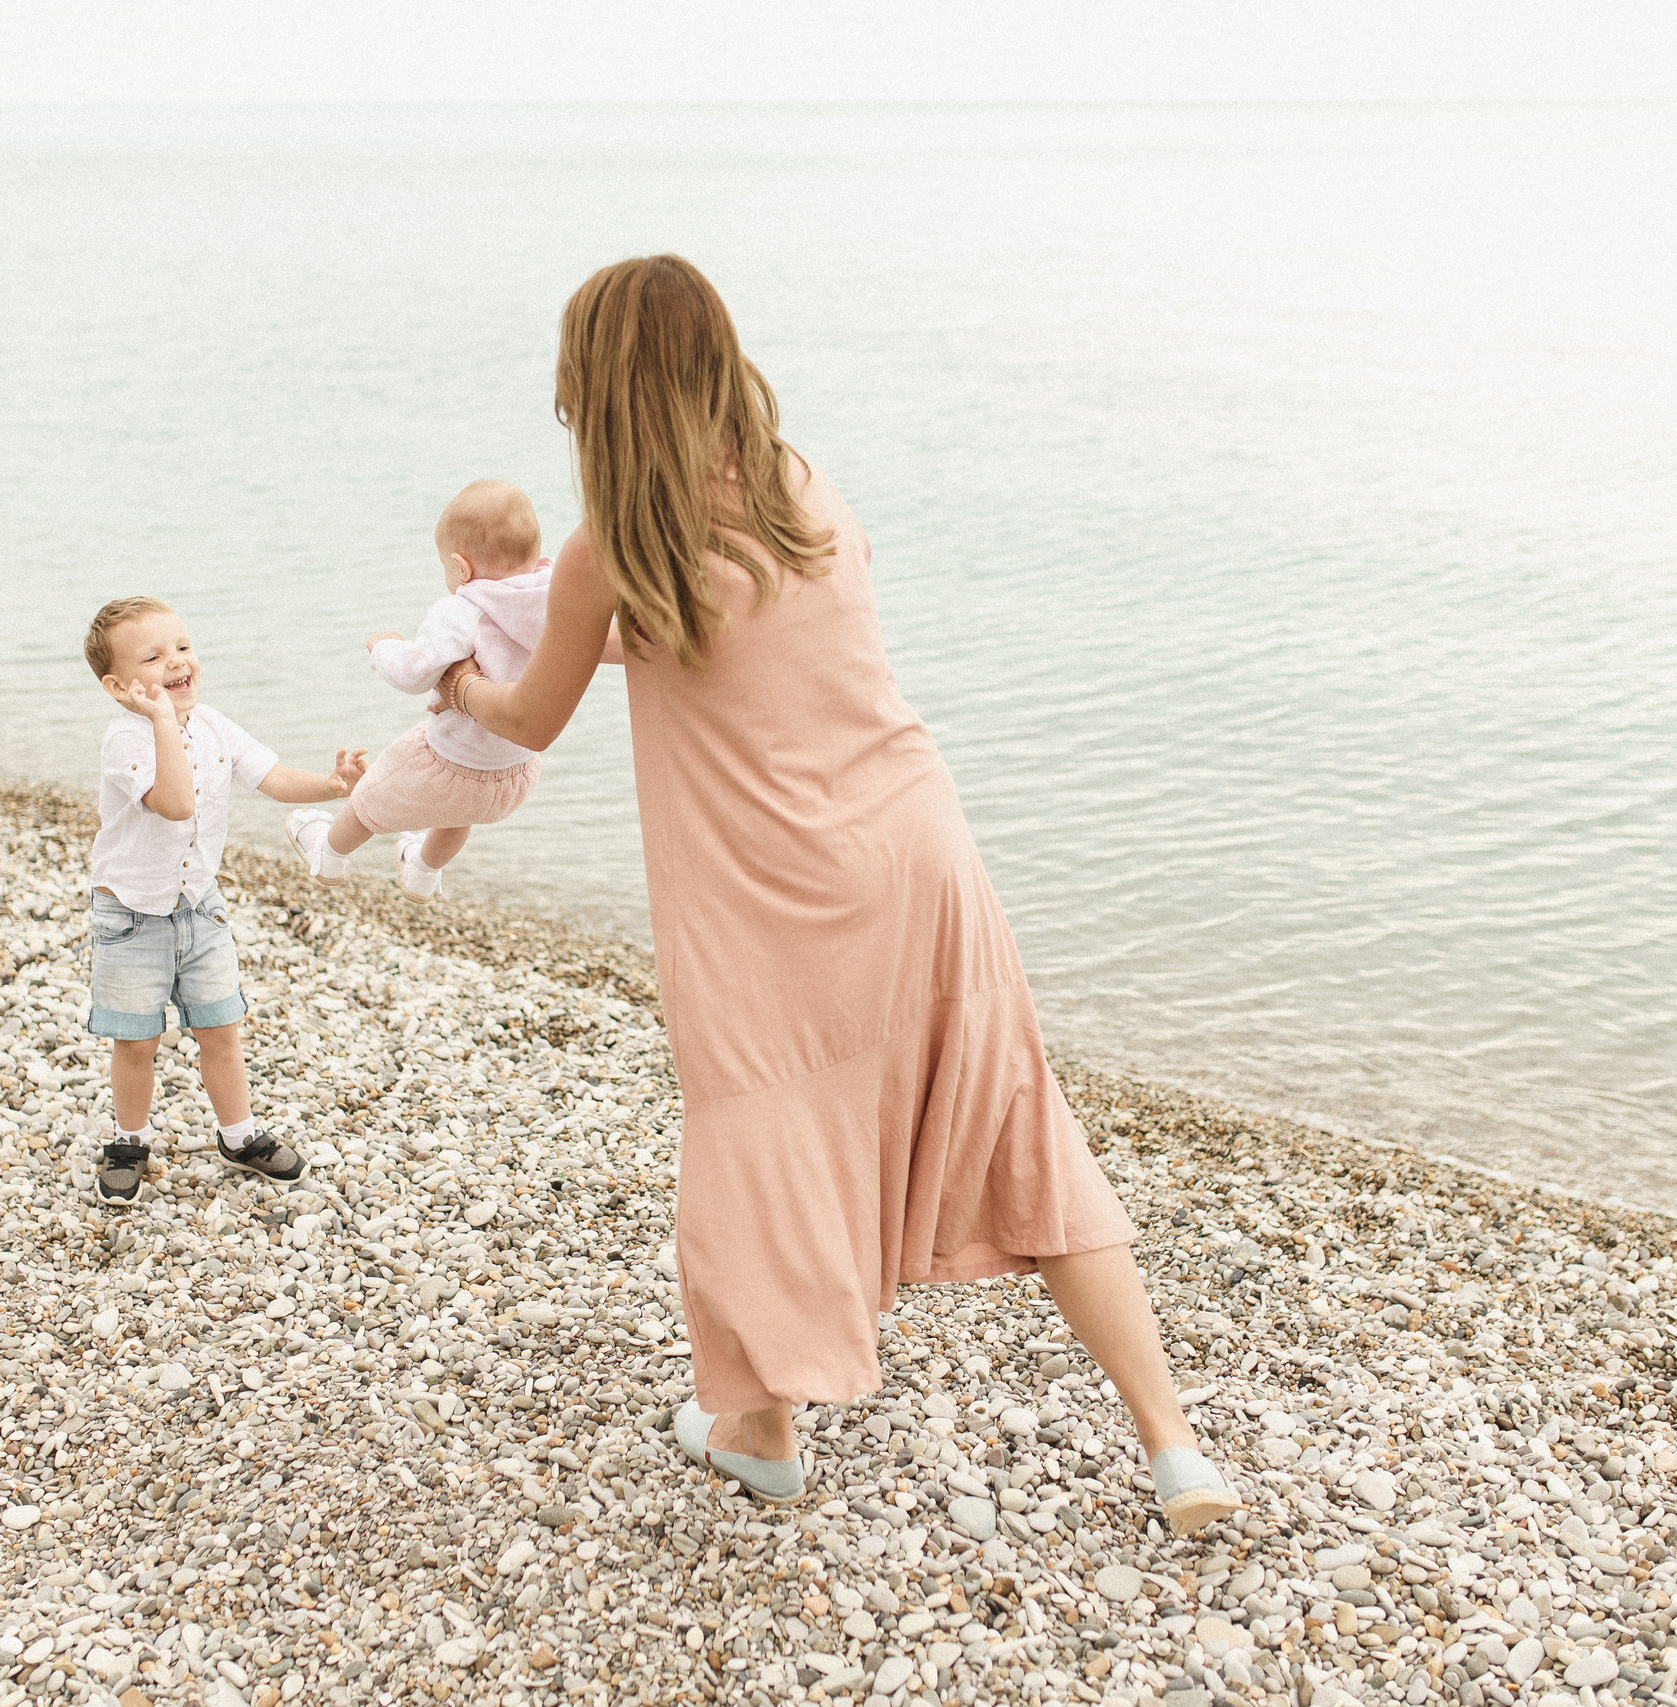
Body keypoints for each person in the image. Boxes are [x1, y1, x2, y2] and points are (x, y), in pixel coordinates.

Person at [437, 256, 1243, 1533]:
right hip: (916, 846)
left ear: (590, 384)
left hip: (768, 895)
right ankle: (1176, 1446)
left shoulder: (616, 549)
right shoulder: (801, 486)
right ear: (717, 358)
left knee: (755, 1136)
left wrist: (457, 682)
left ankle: (762, 1431)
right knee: (1025, 1129)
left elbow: (527, 717)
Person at [80, 595, 367, 1207]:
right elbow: (177, 803)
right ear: (117, 686)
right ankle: (130, 1140)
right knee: (135, 1041)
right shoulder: (125, 739)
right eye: (153, 658)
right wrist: (161, 723)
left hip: (199, 909)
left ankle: (238, 1136)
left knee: (221, 1028)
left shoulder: (213, 725)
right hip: (131, 916)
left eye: (182, 647)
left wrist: (335, 785)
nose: (177, 663)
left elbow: (273, 777)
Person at [289, 481, 551, 901]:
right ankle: (423, 873)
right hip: (514, 773)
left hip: (448, 762)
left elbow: (414, 674)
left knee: (368, 800)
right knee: (457, 813)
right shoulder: (551, 596)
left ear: (461, 568)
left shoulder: (463, 609)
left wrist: (384, 645)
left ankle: (328, 854)